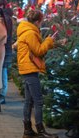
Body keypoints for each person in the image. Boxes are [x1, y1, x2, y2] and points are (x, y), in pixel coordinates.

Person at [17, 9, 58, 138]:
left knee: (29, 101)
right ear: (37, 21)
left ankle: (28, 131)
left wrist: (51, 43)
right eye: (41, 21)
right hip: (30, 68)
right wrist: (49, 41)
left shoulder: (26, 30)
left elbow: (35, 48)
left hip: (27, 68)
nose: (42, 23)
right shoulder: (30, 33)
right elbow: (39, 51)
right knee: (38, 101)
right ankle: (40, 131)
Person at [0, 0, 14, 104]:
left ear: (1, 5)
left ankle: (2, 95)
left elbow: (6, 34)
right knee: (2, 70)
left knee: (3, 71)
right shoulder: (5, 15)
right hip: (6, 47)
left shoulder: (5, 17)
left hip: (5, 47)